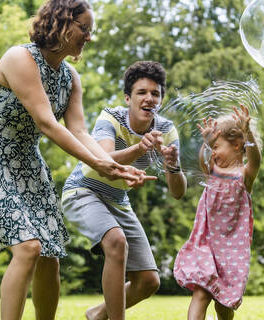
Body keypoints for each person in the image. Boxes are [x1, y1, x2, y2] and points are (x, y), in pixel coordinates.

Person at [0, 1, 151, 319]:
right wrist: (99, 165)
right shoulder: (19, 58)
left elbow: (81, 132)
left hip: (26, 165)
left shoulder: (70, 77)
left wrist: (115, 165)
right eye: (84, 28)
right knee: (29, 247)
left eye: (90, 31)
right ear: (61, 23)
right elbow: (47, 123)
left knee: (49, 254)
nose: (88, 37)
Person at [62, 60, 187, 320]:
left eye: (155, 94)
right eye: (142, 92)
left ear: (161, 100)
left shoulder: (166, 130)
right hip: (83, 191)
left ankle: (96, 315)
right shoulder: (111, 117)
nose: (149, 98)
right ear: (128, 98)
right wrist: (140, 148)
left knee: (149, 281)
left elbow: (177, 192)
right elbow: (105, 159)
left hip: (118, 200)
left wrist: (173, 167)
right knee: (116, 242)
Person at [173, 105, 262, 320]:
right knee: (201, 293)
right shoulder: (213, 171)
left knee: (224, 305)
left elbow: (256, 160)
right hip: (206, 243)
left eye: (216, 145)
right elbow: (202, 160)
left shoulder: (243, 176)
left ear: (237, 144)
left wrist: (247, 131)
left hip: (232, 251)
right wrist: (206, 142)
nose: (213, 151)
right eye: (211, 146)